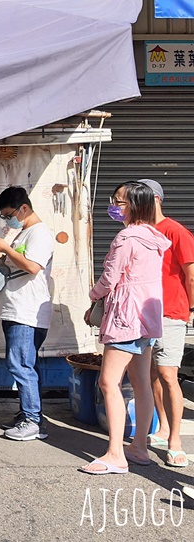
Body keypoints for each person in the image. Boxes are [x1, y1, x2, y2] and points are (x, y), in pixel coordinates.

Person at [80, 181, 171, 475]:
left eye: (119, 201)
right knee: (142, 383)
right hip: (147, 319)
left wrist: (93, 297)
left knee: (108, 382)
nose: (114, 206)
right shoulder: (154, 238)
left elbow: (109, 278)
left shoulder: (126, 238)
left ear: (134, 205)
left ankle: (115, 453)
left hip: (125, 318)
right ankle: (139, 447)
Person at [0, 186, 54, 442]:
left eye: (8, 214)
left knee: (21, 365)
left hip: (27, 311)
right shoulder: (25, 232)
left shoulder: (40, 233)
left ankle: (32, 421)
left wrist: (6, 249)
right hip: (17, 308)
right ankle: (29, 414)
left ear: (23, 208)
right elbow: (18, 264)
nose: (6, 219)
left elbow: (33, 267)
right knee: (27, 364)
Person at [139, 179, 194, 468]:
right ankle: (162, 428)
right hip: (145, 313)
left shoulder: (175, 231)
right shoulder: (141, 231)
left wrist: (191, 309)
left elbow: (191, 273)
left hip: (171, 312)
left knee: (168, 374)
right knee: (151, 374)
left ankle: (176, 441)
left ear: (155, 199)